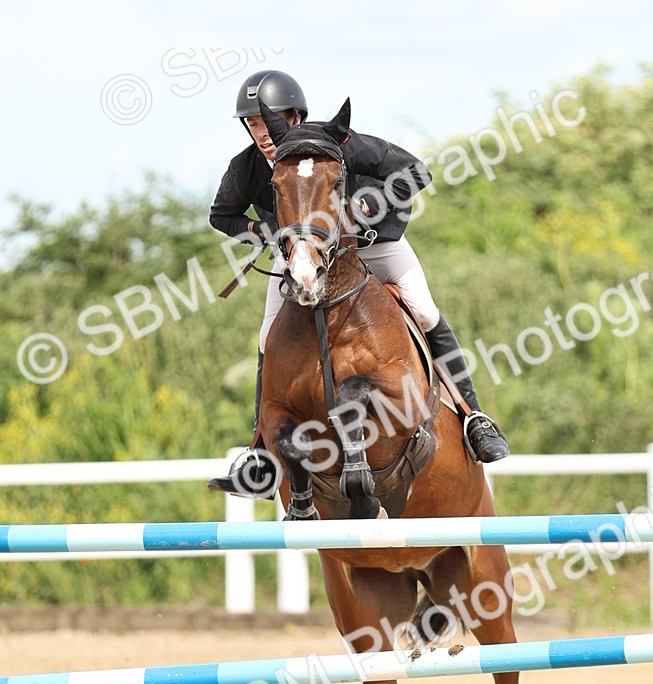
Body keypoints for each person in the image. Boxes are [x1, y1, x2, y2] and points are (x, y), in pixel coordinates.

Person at [207, 69, 509, 496]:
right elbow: (221, 215)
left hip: (371, 245)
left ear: (295, 117)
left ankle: (475, 417)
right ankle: (260, 451)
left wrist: (369, 202)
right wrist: (262, 233)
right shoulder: (248, 167)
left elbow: (415, 172)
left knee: (423, 310)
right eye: (254, 123)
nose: (262, 133)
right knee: (264, 339)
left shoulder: (342, 144)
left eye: (269, 120)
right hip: (305, 257)